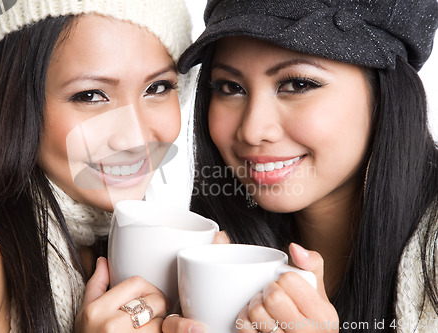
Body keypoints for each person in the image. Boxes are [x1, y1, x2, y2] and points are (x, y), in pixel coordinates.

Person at [163, 0, 438, 332]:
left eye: (297, 84)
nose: (252, 130)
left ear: (384, 93)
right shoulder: (196, 254)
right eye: (230, 87)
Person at [0, 0, 192, 332]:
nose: (134, 139)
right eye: (89, 96)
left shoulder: (110, 238)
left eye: (157, 88)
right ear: (12, 101)